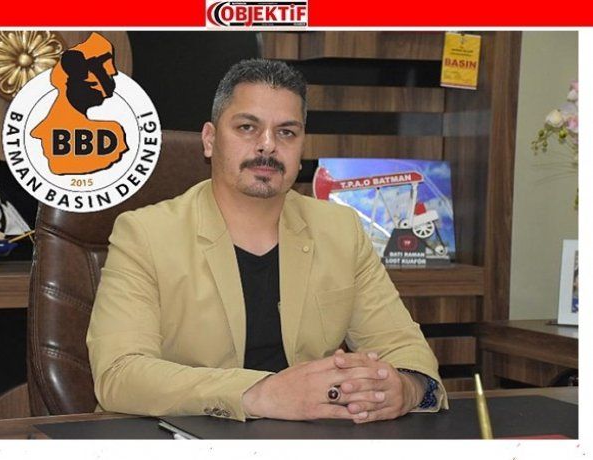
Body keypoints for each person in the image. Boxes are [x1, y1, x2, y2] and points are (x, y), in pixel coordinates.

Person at [86, 58, 448, 423]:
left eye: (286, 133)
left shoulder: (341, 229)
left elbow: (405, 350)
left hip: (307, 438)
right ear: (210, 139)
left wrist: (406, 387)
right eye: (247, 127)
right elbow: (119, 374)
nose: (268, 145)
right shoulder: (144, 234)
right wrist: (259, 393)